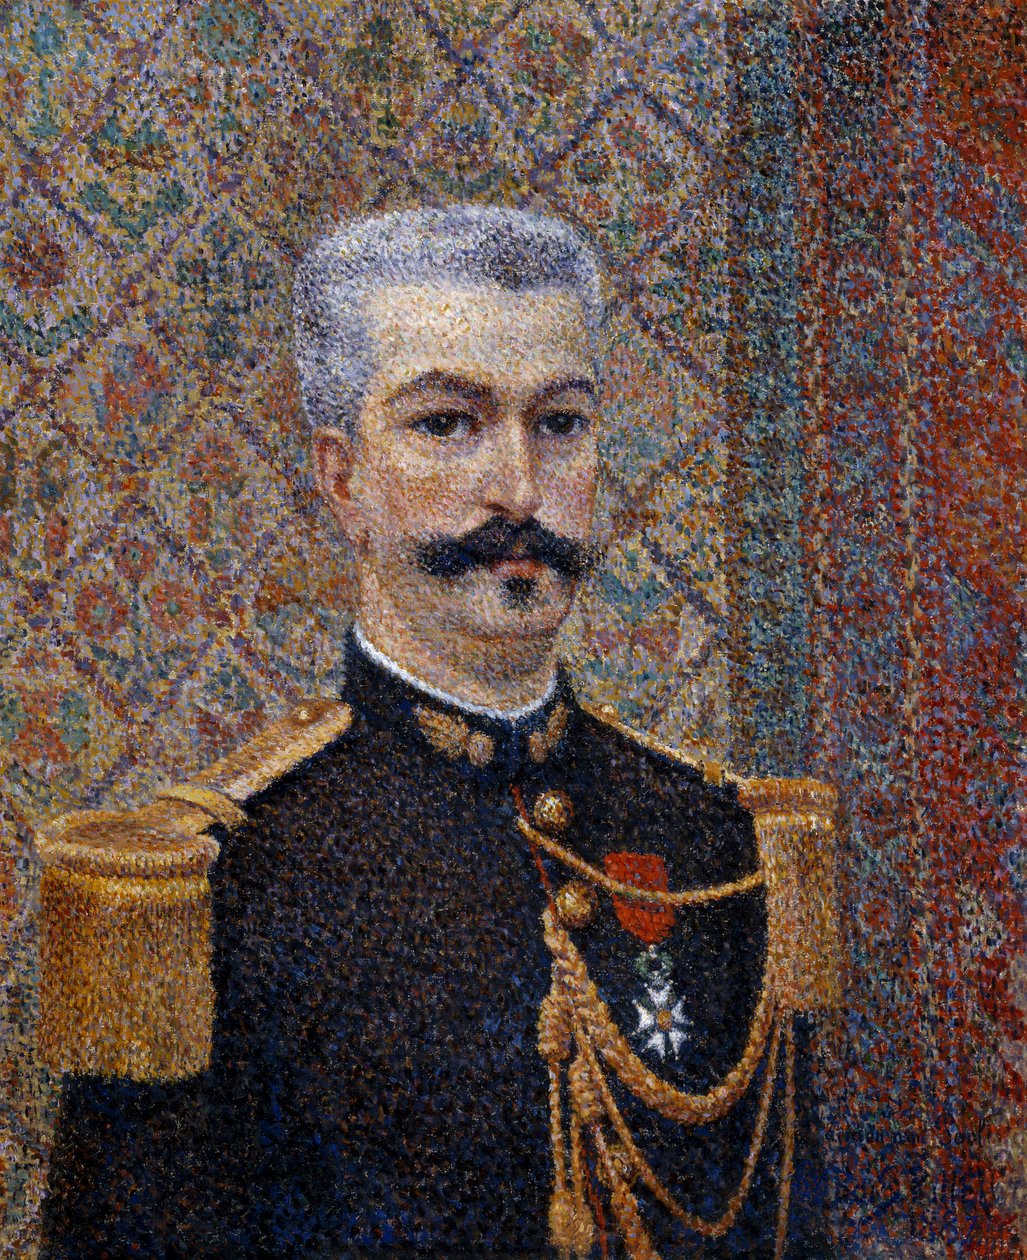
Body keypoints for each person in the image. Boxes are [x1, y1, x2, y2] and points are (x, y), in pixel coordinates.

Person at [40, 206, 829, 1258]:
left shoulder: (712, 840)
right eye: (448, 424)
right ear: (343, 481)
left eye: (560, 423)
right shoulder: (219, 887)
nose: (519, 489)